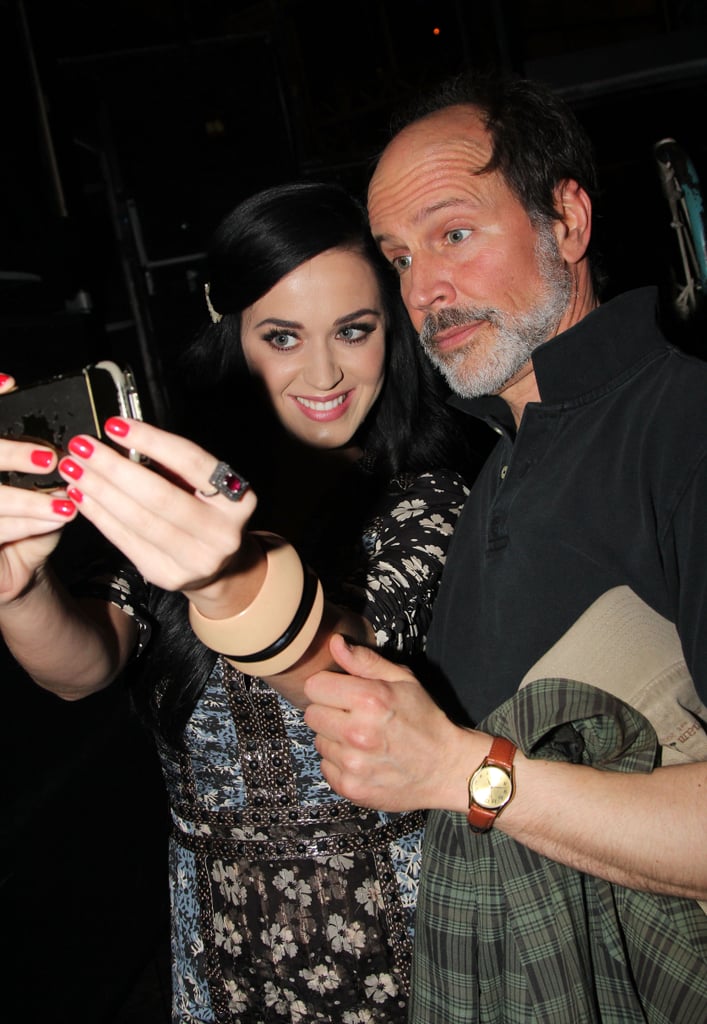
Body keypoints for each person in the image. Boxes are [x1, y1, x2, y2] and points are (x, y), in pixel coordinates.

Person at [0, 181, 475, 1023]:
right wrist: (23, 588)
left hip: (405, 935)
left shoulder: (432, 496)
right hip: (223, 942)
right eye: (282, 337)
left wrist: (227, 584)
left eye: (353, 332)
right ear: (231, 335)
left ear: (390, 333)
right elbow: (85, 666)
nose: (323, 373)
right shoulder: (190, 489)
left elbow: (363, 685)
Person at [300, 71, 707, 1022]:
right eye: (399, 257)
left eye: (454, 233)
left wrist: (462, 774)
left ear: (565, 221)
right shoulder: (502, 461)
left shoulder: (682, 424)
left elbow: (459, 767)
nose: (423, 289)